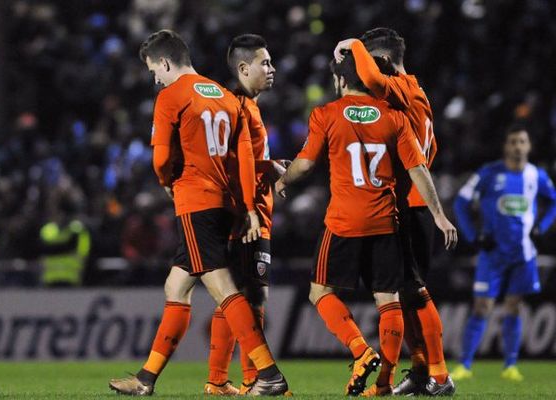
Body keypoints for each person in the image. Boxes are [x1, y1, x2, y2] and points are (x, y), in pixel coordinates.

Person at [108, 30, 289, 396]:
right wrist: (249, 208)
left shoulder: (170, 95)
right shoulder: (224, 95)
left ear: (165, 62)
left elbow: (160, 159)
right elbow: (244, 159)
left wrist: (166, 180)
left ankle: (268, 374)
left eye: (153, 70)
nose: (154, 78)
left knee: (224, 290)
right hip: (225, 204)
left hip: (196, 201)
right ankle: (146, 379)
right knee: (176, 285)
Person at [275, 51, 457, 396]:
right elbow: (418, 169)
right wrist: (438, 214)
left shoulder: (326, 113)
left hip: (343, 221)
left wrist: (282, 182)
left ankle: (360, 350)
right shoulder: (394, 117)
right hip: (385, 220)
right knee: (388, 300)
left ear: (341, 80)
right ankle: (385, 383)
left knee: (319, 292)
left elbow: (305, 163)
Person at [333, 27, 453, 395]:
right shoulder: (415, 93)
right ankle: (420, 371)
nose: (363, 72)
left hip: (413, 204)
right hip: (409, 203)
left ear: (382, 61)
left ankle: (440, 375)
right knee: (404, 292)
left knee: (415, 290)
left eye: (368, 60)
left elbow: (370, 76)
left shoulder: (400, 86)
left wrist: (351, 44)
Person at [204, 34, 288, 396]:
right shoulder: (236, 106)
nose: (271, 69)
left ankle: (219, 380)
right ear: (243, 68)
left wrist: (268, 167)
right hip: (248, 217)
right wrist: (248, 210)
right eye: (264, 63)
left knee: (240, 294)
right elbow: (231, 165)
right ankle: (251, 379)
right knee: (250, 297)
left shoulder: (247, 105)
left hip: (253, 212)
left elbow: (247, 162)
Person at [452, 125, 556, 381]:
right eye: (513, 142)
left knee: (514, 306)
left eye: (522, 142)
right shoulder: (488, 173)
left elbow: (554, 201)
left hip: (523, 255)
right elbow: (460, 203)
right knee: (482, 307)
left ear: (529, 146)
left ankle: (510, 365)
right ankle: (464, 365)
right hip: (492, 255)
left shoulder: (537, 176)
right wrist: (473, 237)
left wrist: (541, 228)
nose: (518, 147)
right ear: (506, 147)